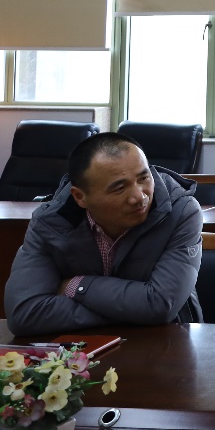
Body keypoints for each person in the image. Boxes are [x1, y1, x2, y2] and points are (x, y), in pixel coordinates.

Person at [5, 132, 203, 335]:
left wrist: (77, 286)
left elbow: (161, 305)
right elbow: (25, 313)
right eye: (119, 188)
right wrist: (137, 312)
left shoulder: (181, 212)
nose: (139, 197)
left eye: (144, 178)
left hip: (166, 340)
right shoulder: (50, 223)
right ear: (80, 197)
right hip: (80, 346)